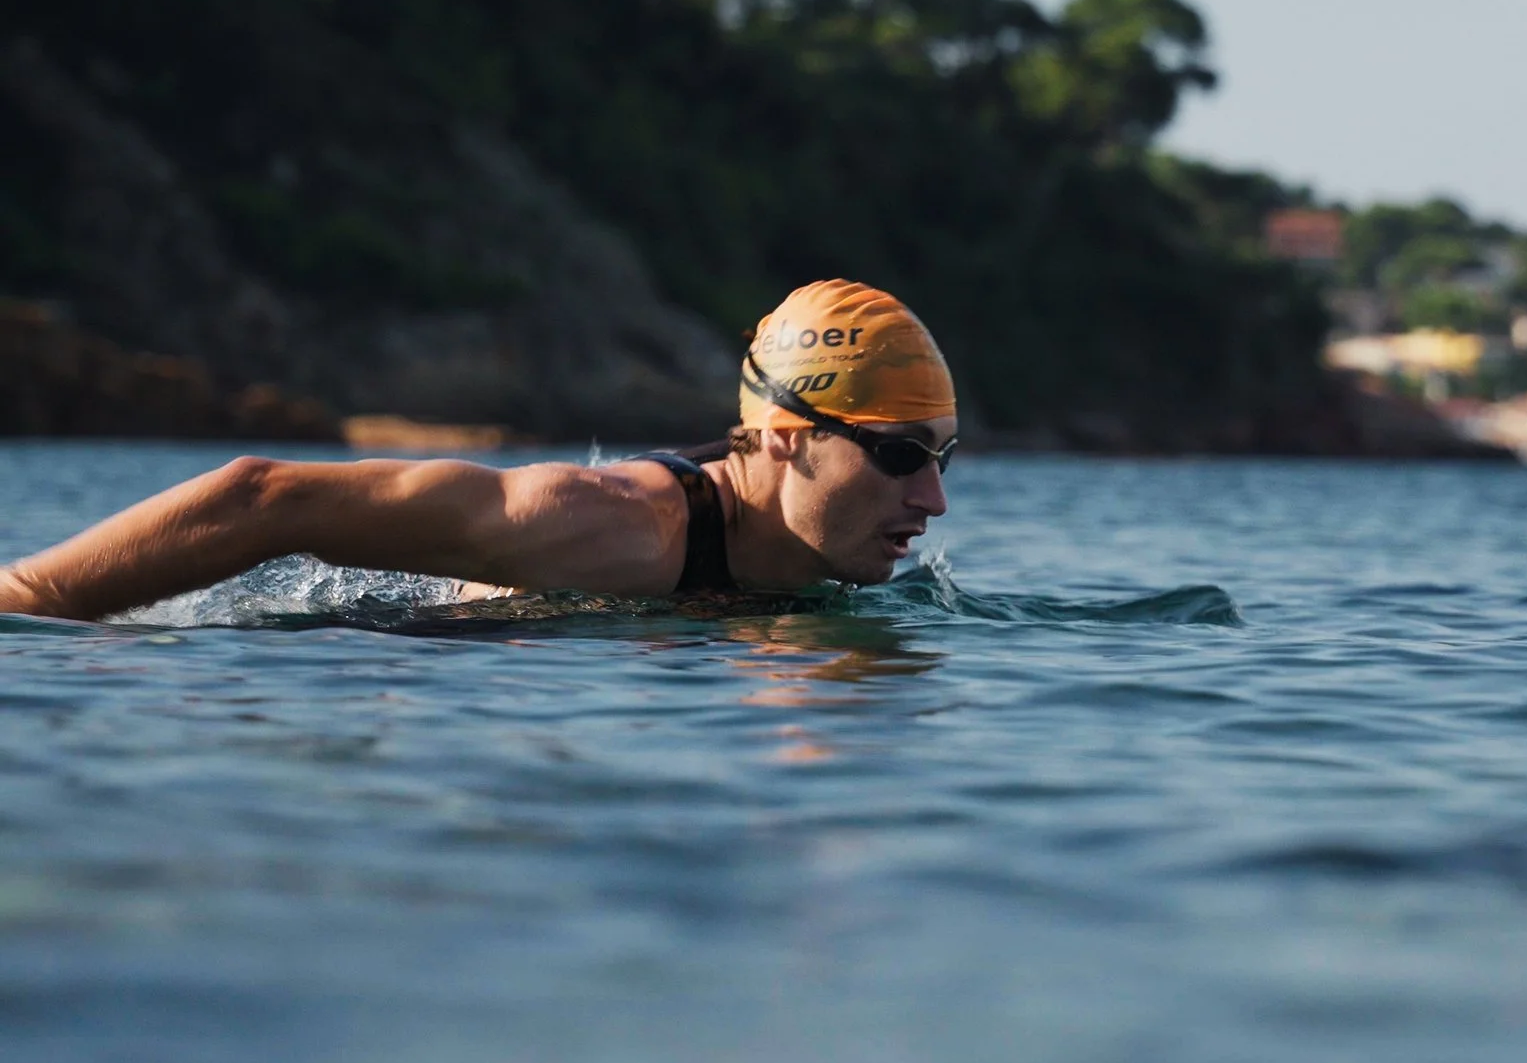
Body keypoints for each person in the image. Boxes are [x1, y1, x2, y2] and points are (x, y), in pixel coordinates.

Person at [0, 280, 956, 623]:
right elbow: (267, 496)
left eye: (945, 457)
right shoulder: (598, 528)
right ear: (786, 440)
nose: (934, 500)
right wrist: (32, 602)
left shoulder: (832, 559)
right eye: (903, 454)